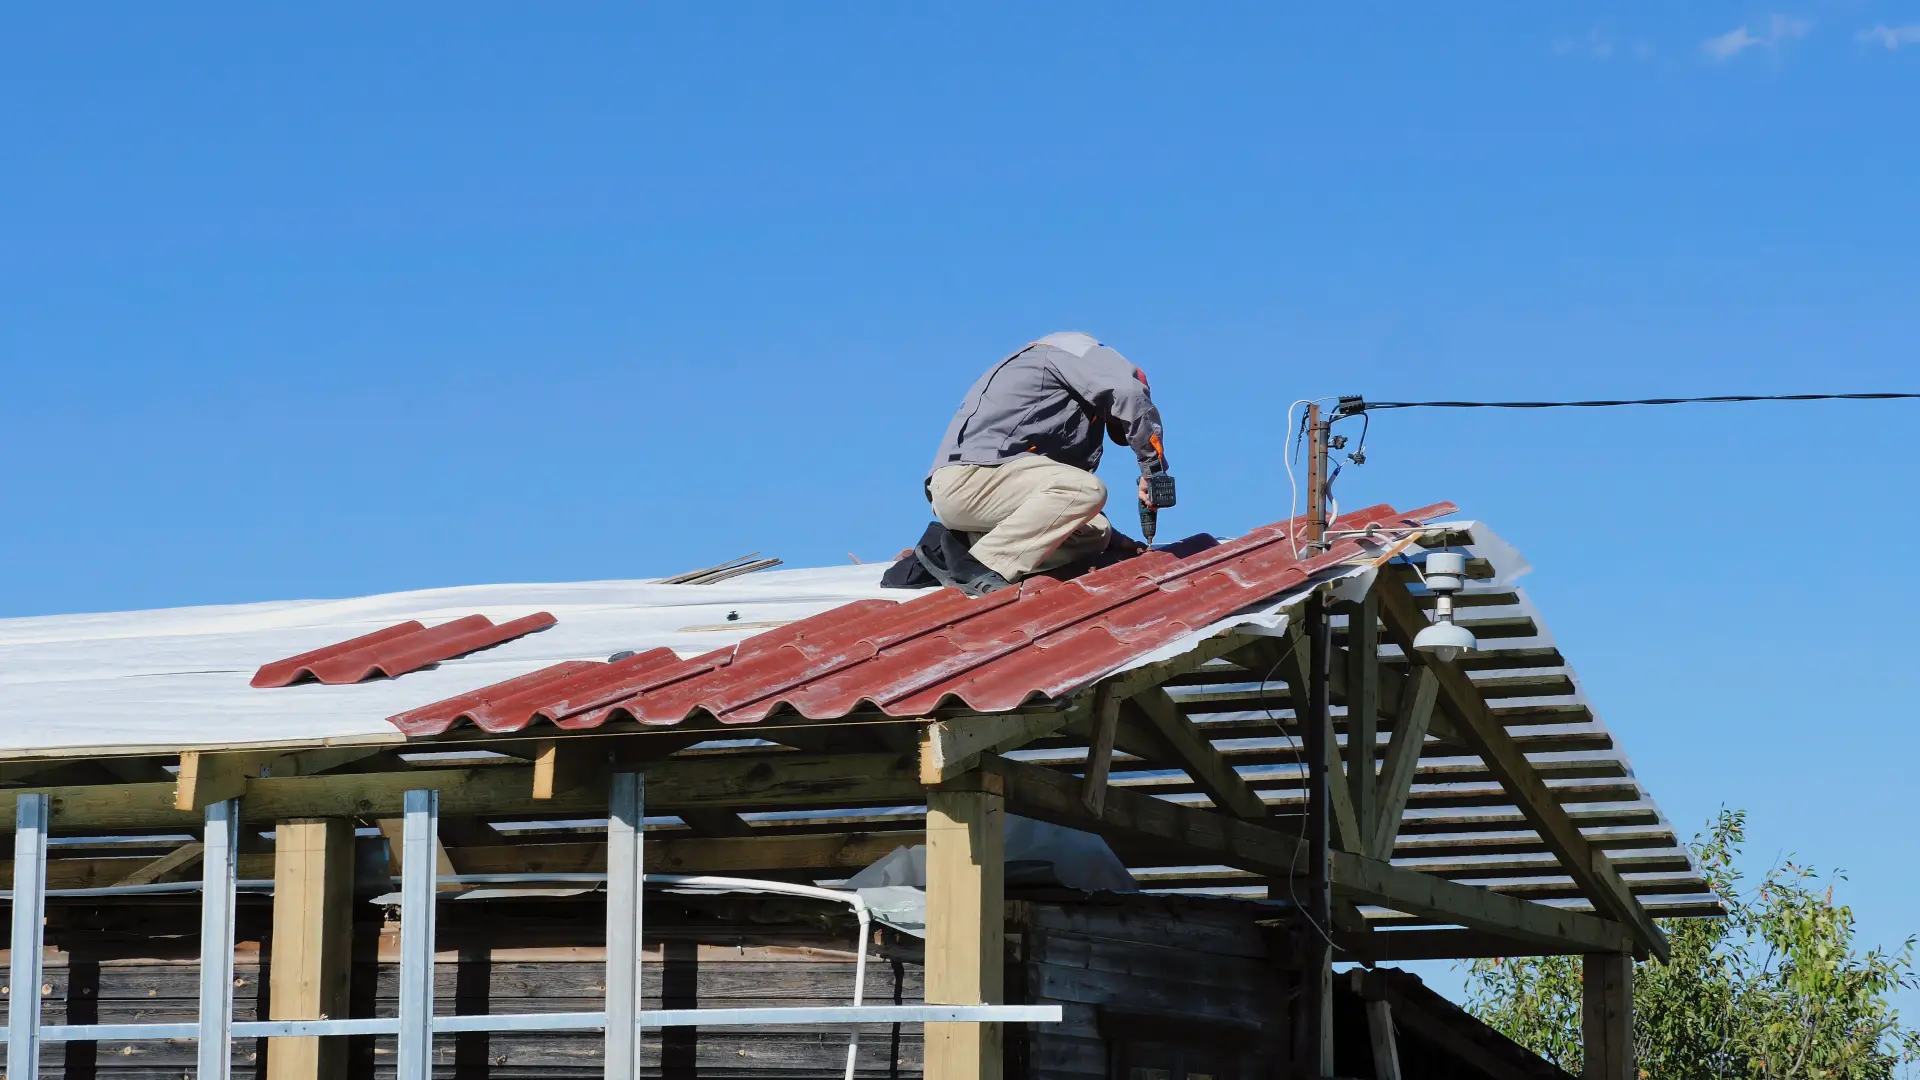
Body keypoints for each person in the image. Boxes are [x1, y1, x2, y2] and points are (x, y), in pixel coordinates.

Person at [926, 331, 1168, 595]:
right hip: (970, 479)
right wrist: (1153, 471)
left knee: (1096, 531)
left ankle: (963, 544)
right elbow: (1129, 394)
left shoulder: (1062, 389)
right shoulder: (1085, 354)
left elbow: (1056, 501)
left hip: (984, 490)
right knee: (1087, 490)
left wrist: (1113, 541)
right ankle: (979, 564)